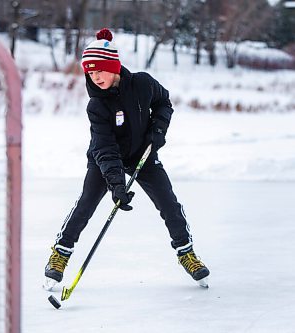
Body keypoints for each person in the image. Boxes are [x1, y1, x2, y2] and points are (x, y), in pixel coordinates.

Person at [44, 28, 209, 290]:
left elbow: (164, 103)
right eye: (90, 72)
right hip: (105, 159)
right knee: (86, 203)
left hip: (143, 153)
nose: (95, 77)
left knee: (168, 202)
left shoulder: (143, 84)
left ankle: (186, 253)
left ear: (114, 67)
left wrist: (157, 130)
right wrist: (116, 183)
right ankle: (60, 254)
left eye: (100, 70)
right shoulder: (97, 106)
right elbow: (105, 147)